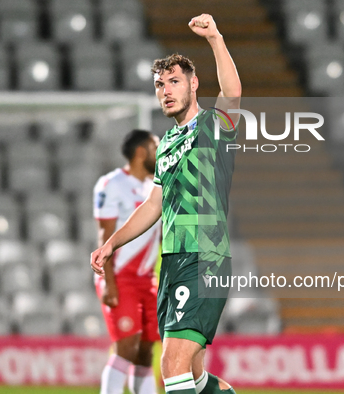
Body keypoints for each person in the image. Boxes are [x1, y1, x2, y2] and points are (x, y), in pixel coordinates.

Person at [91, 13, 242, 394]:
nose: (166, 90)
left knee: (171, 363)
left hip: (204, 254)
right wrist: (111, 244)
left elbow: (234, 93)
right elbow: (152, 205)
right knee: (191, 375)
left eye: (174, 81)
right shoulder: (167, 146)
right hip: (173, 260)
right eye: (160, 84)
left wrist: (215, 38)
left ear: (194, 84)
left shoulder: (213, 127)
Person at [93, 129, 161, 394]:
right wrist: (109, 283)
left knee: (145, 352)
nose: (160, 153)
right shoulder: (111, 184)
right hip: (120, 276)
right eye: (155, 148)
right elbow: (104, 236)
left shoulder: (156, 187)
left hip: (147, 280)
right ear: (141, 152)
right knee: (127, 346)